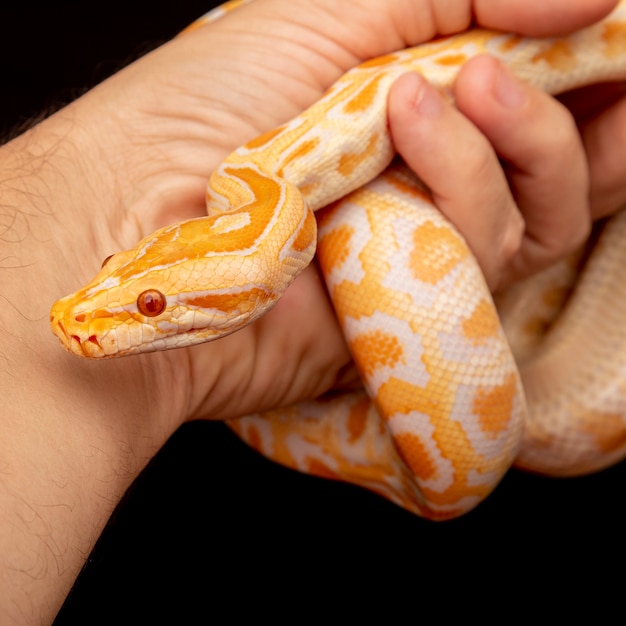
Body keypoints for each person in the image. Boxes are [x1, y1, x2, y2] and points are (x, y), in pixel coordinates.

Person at [1, 0, 625, 621]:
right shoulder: (245, 196)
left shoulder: (255, 196)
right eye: (120, 276)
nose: (84, 320)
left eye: (151, 304)